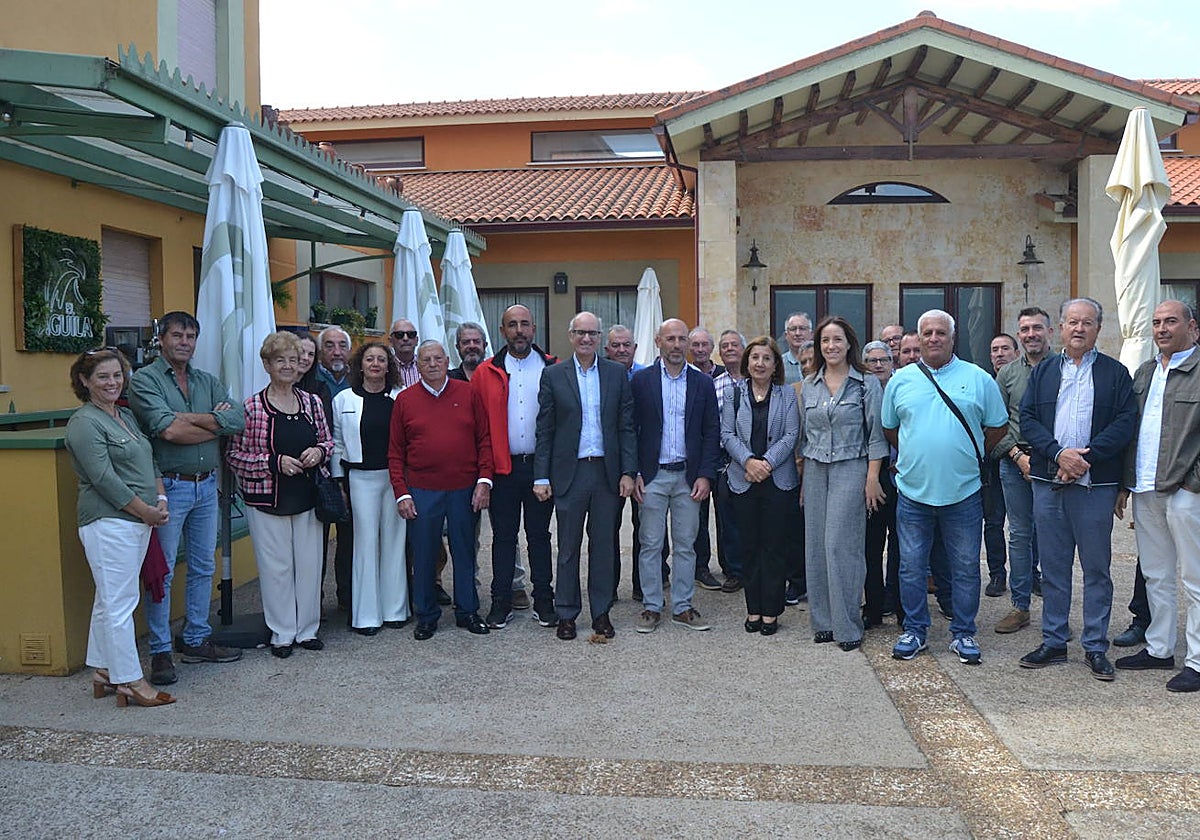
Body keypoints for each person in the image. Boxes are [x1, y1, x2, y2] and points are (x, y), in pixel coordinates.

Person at [1018, 298, 1136, 682]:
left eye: (1087, 323)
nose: (1079, 329)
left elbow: (1124, 423)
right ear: (1061, 329)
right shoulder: (1045, 372)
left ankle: (1095, 646)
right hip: (1048, 483)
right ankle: (1053, 641)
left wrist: (1084, 458)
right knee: (1053, 568)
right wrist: (1057, 455)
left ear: (1098, 329)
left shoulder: (1116, 374)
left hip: (1094, 486)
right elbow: (1029, 419)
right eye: (1072, 322)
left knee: (1097, 569)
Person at [884, 310, 1007, 665]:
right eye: (927, 333)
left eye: (941, 332)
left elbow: (997, 427)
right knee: (910, 566)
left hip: (963, 493)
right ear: (918, 339)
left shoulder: (979, 378)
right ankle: (915, 630)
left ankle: (964, 633)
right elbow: (890, 429)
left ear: (953, 338)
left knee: (966, 566)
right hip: (913, 492)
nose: (934, 338)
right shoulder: (900, 381)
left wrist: (966, 453)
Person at [127, 311, 244, 688]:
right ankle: (160, 649)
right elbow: (168, 431)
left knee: (202, 567)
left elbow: (237, 420)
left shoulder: (206, 379)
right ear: (161, 338)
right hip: (168, 488)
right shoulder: (144, 380)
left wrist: (189, 420)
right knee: (161, 573)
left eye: (191, 336)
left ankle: (195, 638)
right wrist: (212, 423)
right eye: (177, 335)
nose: (185, 342)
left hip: (207, 485)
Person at [66, 348, 175, 707]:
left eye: (117, 375)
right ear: (84, 381)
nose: (112, 383)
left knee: (108, 599)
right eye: (102, 377)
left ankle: (102, 669)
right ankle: (130, 679)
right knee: (119, 604)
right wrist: (144, 510)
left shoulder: (124, 415)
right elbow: (104, 479)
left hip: (137, 521)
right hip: (109, 523)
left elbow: (149, 460)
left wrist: (160, 499)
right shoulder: (84, 423)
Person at [226, 332, 333, 658]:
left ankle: (307, 630)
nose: (287, 366)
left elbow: (328, 443)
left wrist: (318, 451)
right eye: (279, 360)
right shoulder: (251, 407)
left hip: (307, 497)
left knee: (310, 565)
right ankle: (283, 633)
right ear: (267, 365)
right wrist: (273, 462)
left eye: (292, 359)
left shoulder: (312, 403)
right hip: (267, 499)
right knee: (276, 569)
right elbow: (234, 456)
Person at [534, 312, 636, 641]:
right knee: (567, 547)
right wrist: (541, 476)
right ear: (571, 335)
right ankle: (566, 613)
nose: (587, 339)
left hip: (606, 472)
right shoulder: (553, 375)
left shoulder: (616, 374)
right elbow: (545, 430)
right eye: (581, 333)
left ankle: (601, 612)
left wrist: (628, 472)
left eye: (592, 333)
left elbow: (626, 427)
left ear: (599, 338)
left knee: (604, 546)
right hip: (570, 473)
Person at [1116, 300, 1200, 692]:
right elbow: (1133, 431)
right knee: (1157, 574)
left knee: (1195, 579)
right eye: (1156, 323)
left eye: (1170, 321)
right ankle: (1160, 648)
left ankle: (1197, 661)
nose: (1162, 328)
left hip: (1186, 491)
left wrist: (1192, 483)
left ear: (1192, 327)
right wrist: (1125, 482)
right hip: (1145, 487)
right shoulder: (1146, 372)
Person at [390, 340, 494, 640]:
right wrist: (402, 492)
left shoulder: (469, 393)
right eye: (426, 360)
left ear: (447, 360)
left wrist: (484, 480)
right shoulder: (405, 400)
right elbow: (395, 452)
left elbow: (484, 439)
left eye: (438, 358)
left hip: (464, 488)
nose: (432, 364)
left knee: (465, 553)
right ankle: (426, 615)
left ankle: (468, 611)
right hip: (422, 490)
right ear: (417, 365)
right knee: (423, 555)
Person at [799, 317, 888, 650]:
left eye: (837, 339)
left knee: (841, 545)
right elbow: (806, 435)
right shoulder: (810, 383)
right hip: (816, 468)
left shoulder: (866, 383)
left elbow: (876, 435)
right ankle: (822, 622)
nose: (830, 346)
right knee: (816, 545)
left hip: (852, 467)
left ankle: (848, 625)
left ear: (849, 343)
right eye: (824, 341)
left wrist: (872, 477)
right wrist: (805, 479)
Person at [632, 318, 721, 633]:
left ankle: (683, 606)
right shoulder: (641, 381)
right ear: (658, 341)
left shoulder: (702, 383)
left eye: (681, 339)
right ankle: (652, 606)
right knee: (651, 543)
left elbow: (712, 432)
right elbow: (632, 430)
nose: (676, 345)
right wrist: (635, 472)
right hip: (653, 475)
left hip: (688, 476)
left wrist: (706, 475)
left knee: (686, 544)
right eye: (670, 338)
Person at [474, 305, 559, 629]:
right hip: (503, 469)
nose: (519, 330)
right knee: (504, 538)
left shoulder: (552, 367)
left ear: (534, 329)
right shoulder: (486, 372)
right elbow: (480, 428)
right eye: (513, 325)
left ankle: (544, 601)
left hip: (540, 468)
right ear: (502, 331)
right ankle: (501, 601)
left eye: (524, 324)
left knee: (539, 536)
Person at [721, 336, 800, 636]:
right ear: (747, 362)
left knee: (775, 547)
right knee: (749, 547)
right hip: (743, 480)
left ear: (775, 364)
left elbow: (791, 434)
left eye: (767, 358)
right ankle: (753, 609)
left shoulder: (787, 395)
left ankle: (771, 611)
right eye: (755, 358)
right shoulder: (733, 394)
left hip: (777, 482)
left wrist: (766, 462)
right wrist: (749, 463)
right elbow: (727, 434)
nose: (760, 363)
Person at [330, 342, 407, 636]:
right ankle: (366, 615)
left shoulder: (399, 398)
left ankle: (395, 610)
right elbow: (337, 443)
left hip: (394, 477)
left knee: (395, 541)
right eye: (370, 359)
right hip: (360, 478)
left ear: (389, 367)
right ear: (360, 365)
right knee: (364, 544)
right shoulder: (343, 400)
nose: (375, 364)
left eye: (381, 360)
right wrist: (340, 482)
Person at [989, 307, 1053, 635]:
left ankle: (1055, 613)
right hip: (1015, 464)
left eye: (1037, 328)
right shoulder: (1008, 374)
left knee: (1054, 535)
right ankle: (1020, 606)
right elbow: (997, 423)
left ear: (1049, 332)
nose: (1031, 334)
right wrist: (1017, 456)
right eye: (1025, 329)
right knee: (1019, 534)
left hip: (1055, 463)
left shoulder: (1063, 368)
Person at [605, 324, 661, 602]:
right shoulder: (600, 376)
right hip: (610, 464)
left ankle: (644, 585)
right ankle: (609, 586)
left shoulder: (647, 377)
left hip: (646, 464)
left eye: (626, 344)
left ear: (635, 348)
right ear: (607, 349)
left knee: (647, 528)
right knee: (608, 526)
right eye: (615, 345)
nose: (621, 350)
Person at [314, 326, 354, 612]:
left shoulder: (359, 377)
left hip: (351, 470)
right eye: (329, 345)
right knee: (314, 544)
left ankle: (348, 599)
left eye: (342, 345)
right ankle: (312, 603)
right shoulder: (310, 380)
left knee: (349, 539)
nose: (336, 351)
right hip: (315, 471)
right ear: (320, 351)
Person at [862, 340, 899, 626]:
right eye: (872, 361)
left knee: (901, 546)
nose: (877, 365)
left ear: (891, 362)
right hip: (870, 477)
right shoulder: (860, 391)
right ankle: (873, 606)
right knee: (871, 546)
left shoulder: (903, 389)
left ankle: (898, 604)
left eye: (882, 360)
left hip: (901, 477)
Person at [981, 333, 1018, 598]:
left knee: (1025, 524)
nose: (1000, 353)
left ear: (1015, 352)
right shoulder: (983, 383)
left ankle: (1030, 574)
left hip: (1021, 460)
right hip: (991, 462)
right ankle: (997, 574)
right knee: (993, 522)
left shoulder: (1024, 380)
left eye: (1005, 348)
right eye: (995, 349)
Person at [688, 326, 723, 591]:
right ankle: (700, 566)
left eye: (704, 345)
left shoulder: (723, 376)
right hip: (692, 458)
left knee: (724, 515)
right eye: (695, 345)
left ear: (712, 348)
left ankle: (731, 566)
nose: (700, 349)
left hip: (721, 456)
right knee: (696, 517)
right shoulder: (684, 375)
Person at [712, 330, 747, 593]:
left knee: (756, 515)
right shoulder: (714, 384)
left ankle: (756, 566)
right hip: (725, 460)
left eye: (735, 344)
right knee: (728, 518)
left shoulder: (756, 380)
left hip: (756, 460)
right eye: (725, 346)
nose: (730, 349)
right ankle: (733, 569)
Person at [781, 311, 813, 384]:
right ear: (786, 335)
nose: (798, 333)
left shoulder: (821, 362)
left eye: (802, 328)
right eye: (793, 329)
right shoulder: (779, 364)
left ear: (811, 334)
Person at [388, 318, 421, 388]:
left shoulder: (426, 365)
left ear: (417, 340)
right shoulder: (385, 367)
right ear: (390, 341)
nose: (405, 338)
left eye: (411, 334)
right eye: (399, 335)